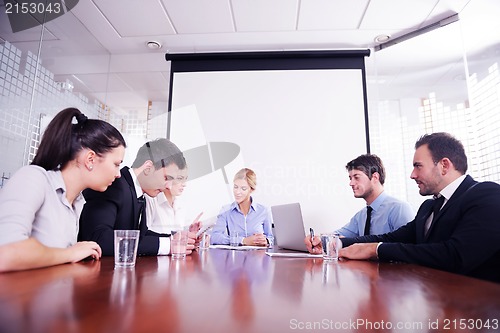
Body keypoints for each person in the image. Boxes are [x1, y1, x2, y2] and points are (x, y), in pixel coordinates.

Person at [307, 132, 500, 283]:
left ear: (444, 165)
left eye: (418, 166)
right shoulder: (429, 207)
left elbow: (455, 255)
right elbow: (390, 238)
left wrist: (377, 250)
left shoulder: (487, 194)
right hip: (437, 302)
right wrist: (336, 244)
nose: (412, 175)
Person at [0, 107, 126, 272]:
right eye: (116, 164)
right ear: (90, 159)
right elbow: (5, 253)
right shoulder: (33, 178)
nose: (118, 175)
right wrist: (69, 253)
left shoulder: (77, 202)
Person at [78, 138, 199, 256]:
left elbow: (141, 236)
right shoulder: (112, 185)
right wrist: (168, 245)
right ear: (148, 168)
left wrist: (177, 240)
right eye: (167, 178)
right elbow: (99, 239)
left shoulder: (138, 192)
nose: (169, 186)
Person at [310, 154, 414, 240]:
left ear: (375, 177)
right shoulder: (361, 215)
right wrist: (318, 239)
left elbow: (407, 247)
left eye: (356, 177)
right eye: (350, 178)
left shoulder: (399, 208)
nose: (351, 183)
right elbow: (338, 236)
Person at [211, 168, 274, 246]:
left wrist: (266, 241)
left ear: (251, 190)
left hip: (257, 256)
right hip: (235, 257)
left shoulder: (263, 211)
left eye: (243, 189)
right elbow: (214, 237)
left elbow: (270, 238)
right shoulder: (226, 210)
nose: (237, 192)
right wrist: (243, 240)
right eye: (235, 187)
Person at [145, 165, 203, 234]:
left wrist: (189, 234)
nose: (184, 184)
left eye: (185, 179)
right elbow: (144, 237)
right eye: (180, 179)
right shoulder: (151, 200)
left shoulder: (181, 205)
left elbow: (177, 239)